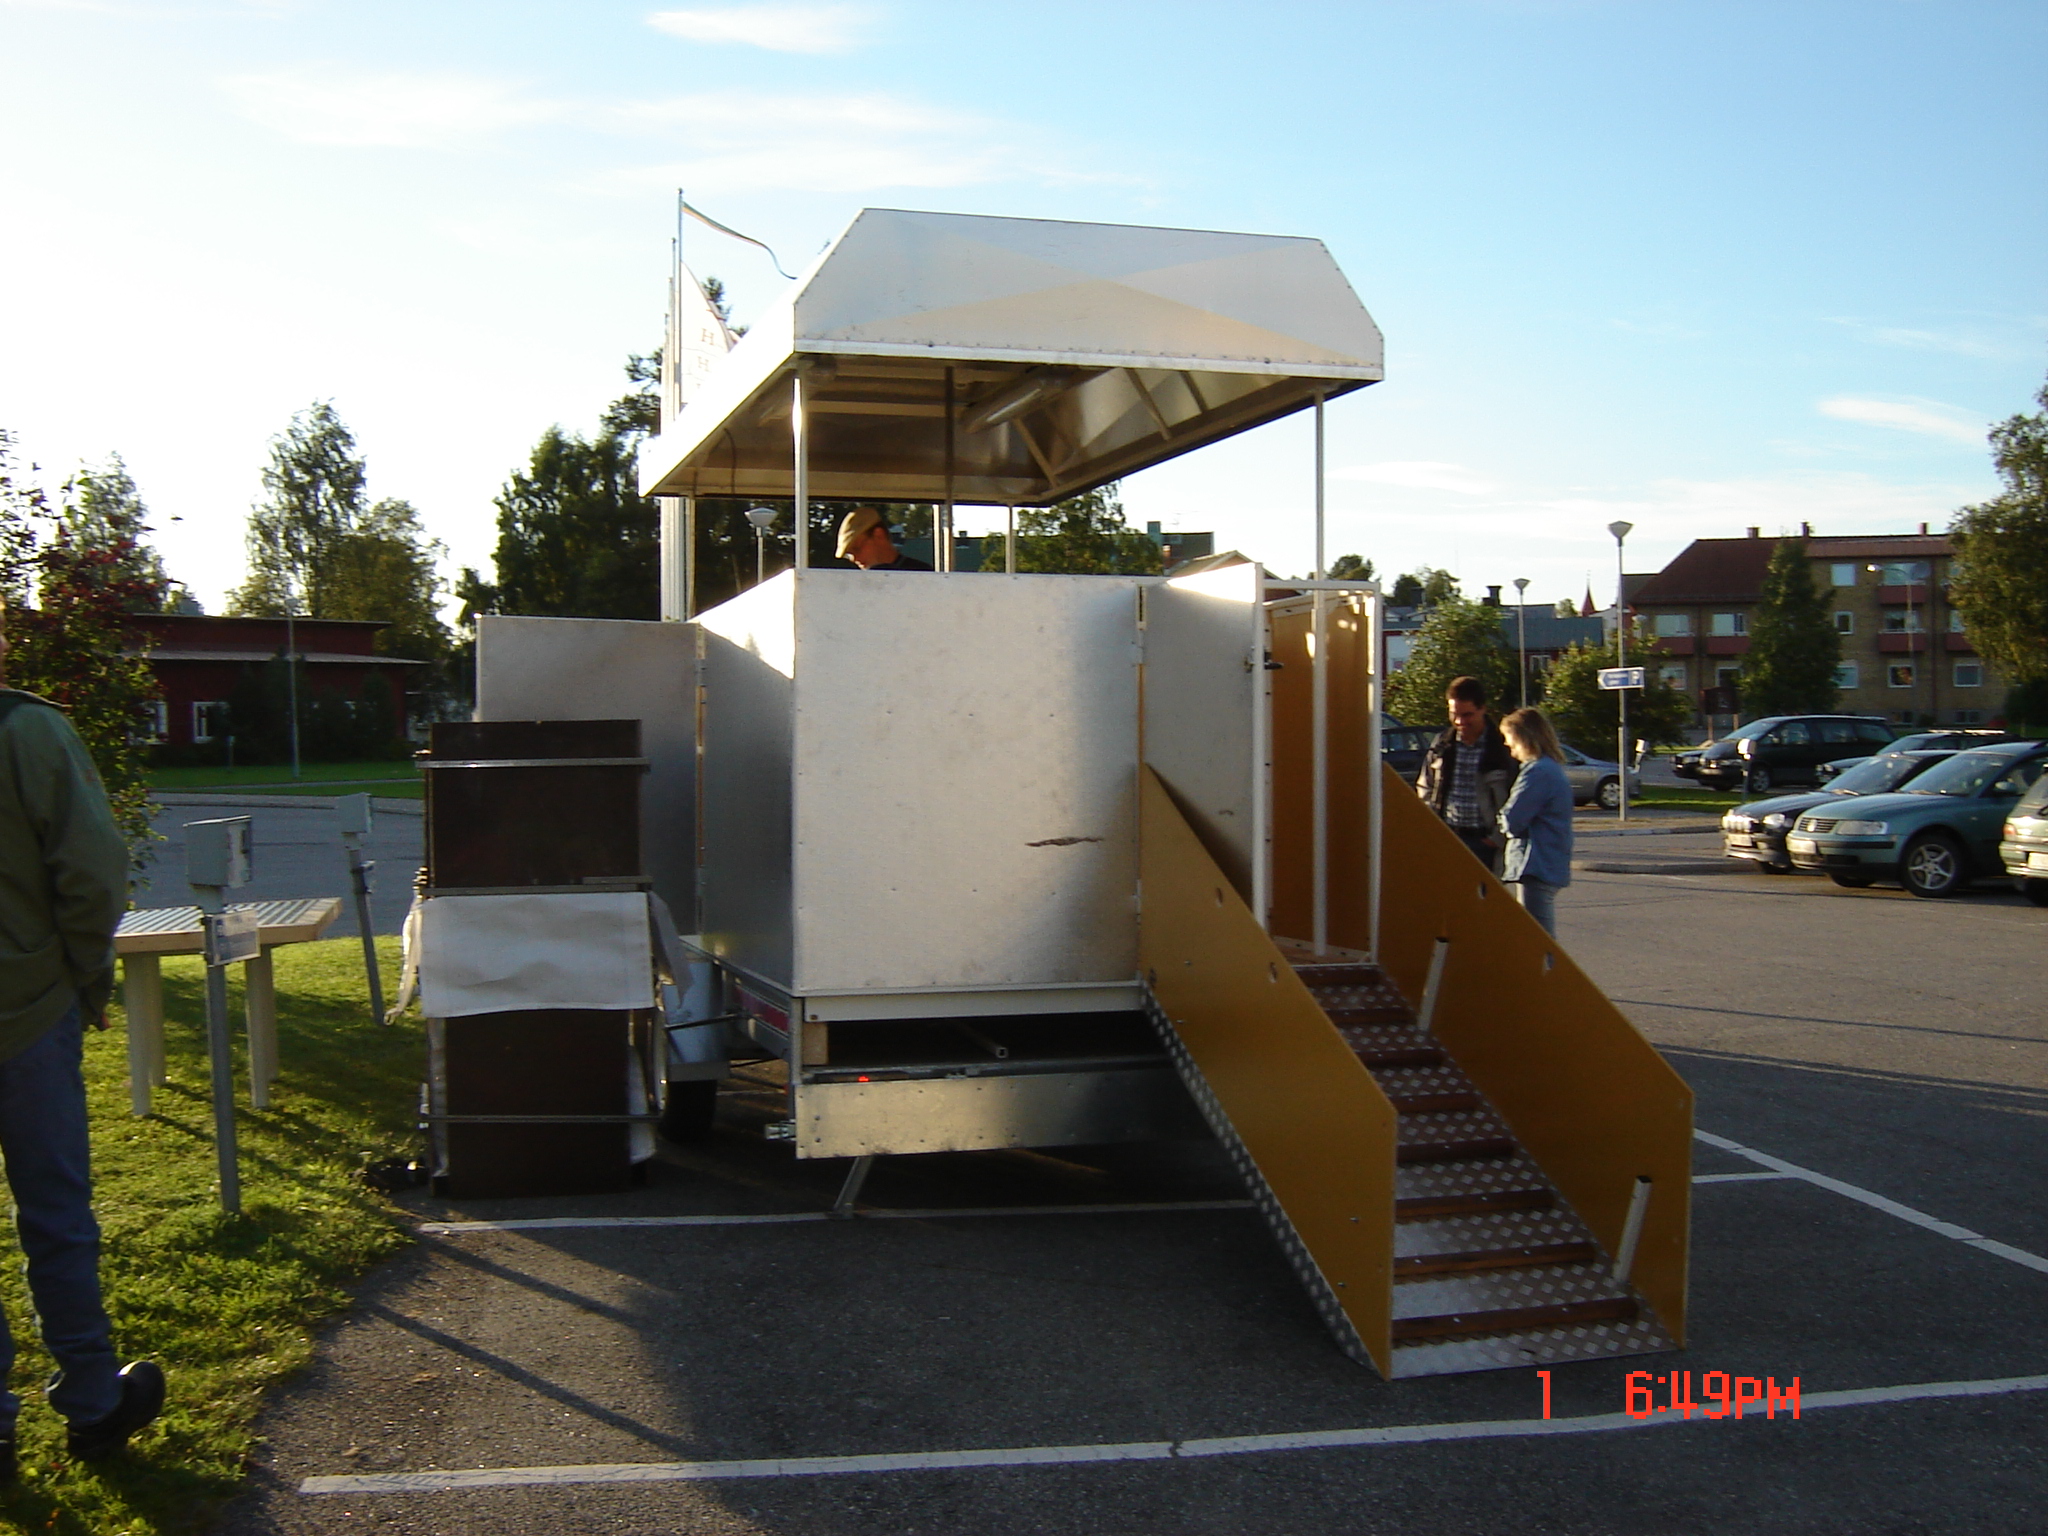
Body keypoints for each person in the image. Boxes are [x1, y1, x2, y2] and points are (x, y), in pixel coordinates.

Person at [0, 608, 165, 1478]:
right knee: (56, 1213)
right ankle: (95, 1401)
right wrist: (87, 977)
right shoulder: (29, 732)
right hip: (26, 1009)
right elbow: (94, 871)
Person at [1415, 675, 1516, 871]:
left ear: (1482, 709)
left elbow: (1517, 799)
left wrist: (1496, 838)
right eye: (1454, 714)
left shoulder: (1502, 748)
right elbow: (1425, 786)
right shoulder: (1443, 744)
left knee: (1485, 891)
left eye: (1467, 715)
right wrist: (1432, 826)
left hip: (1485, 841)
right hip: (1448, 837)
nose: (1460, 721)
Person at [1497, 706, 1575, 935]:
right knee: (1536, 936)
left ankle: (1547, 962)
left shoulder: (1537, 772)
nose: (1507, 744)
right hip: (1549, 861)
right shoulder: (1551, 769)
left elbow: (1513, 820)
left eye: (1509, 738)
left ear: (1523, 738)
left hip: (1535, 863)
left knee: (1538, 939)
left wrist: (1500, 819)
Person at [836, 507, 933, 571]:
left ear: (879, 535)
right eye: (849, 555)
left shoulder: (921, 574)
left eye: (857, 549)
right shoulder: (856, 584)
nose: (854, 559)